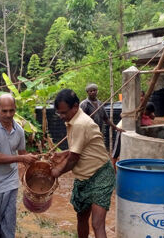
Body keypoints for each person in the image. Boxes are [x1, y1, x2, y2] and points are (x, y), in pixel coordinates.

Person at [51, 89, 115, 238]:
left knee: (97, 224)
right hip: (83, 178)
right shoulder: (73, 120)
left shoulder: (80, 123)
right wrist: (64, 153)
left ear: (75, 106)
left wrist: (56, 172)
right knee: (81, 217)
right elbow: (80, 149)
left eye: (64, 113)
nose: (61, 117)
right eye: (58, 113)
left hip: (101, 174)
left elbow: (73, 159)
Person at [0, 94, 38, 238]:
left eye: (11, 110)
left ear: (15, 109)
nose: (8, 114)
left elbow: (23, 154)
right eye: (4, 111)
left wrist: (36, 163)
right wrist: (22, 157)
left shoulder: (19, 130)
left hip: (10, 178)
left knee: (9, 216)